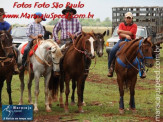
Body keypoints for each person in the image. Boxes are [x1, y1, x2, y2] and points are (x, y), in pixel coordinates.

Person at [107, 12, 146, 78]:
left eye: (129, 18)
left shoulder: (134, 25)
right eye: (127, 18)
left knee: (139, 52)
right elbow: (120, 34)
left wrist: (121, 31)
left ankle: (142, 70)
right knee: (113, 51)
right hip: (122, 40)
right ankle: (110, 68)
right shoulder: (121, 24)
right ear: (125, 18)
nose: (128, 19)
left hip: (132, 41)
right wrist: (125, 35)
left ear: (132, 19)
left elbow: (131, 33)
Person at [0, 8, 19, 74]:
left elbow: (9, 35)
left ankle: (15, 66)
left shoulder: (7, 24)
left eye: (1, 15)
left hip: (6, 43)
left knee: (17, 50)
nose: (0, 17)